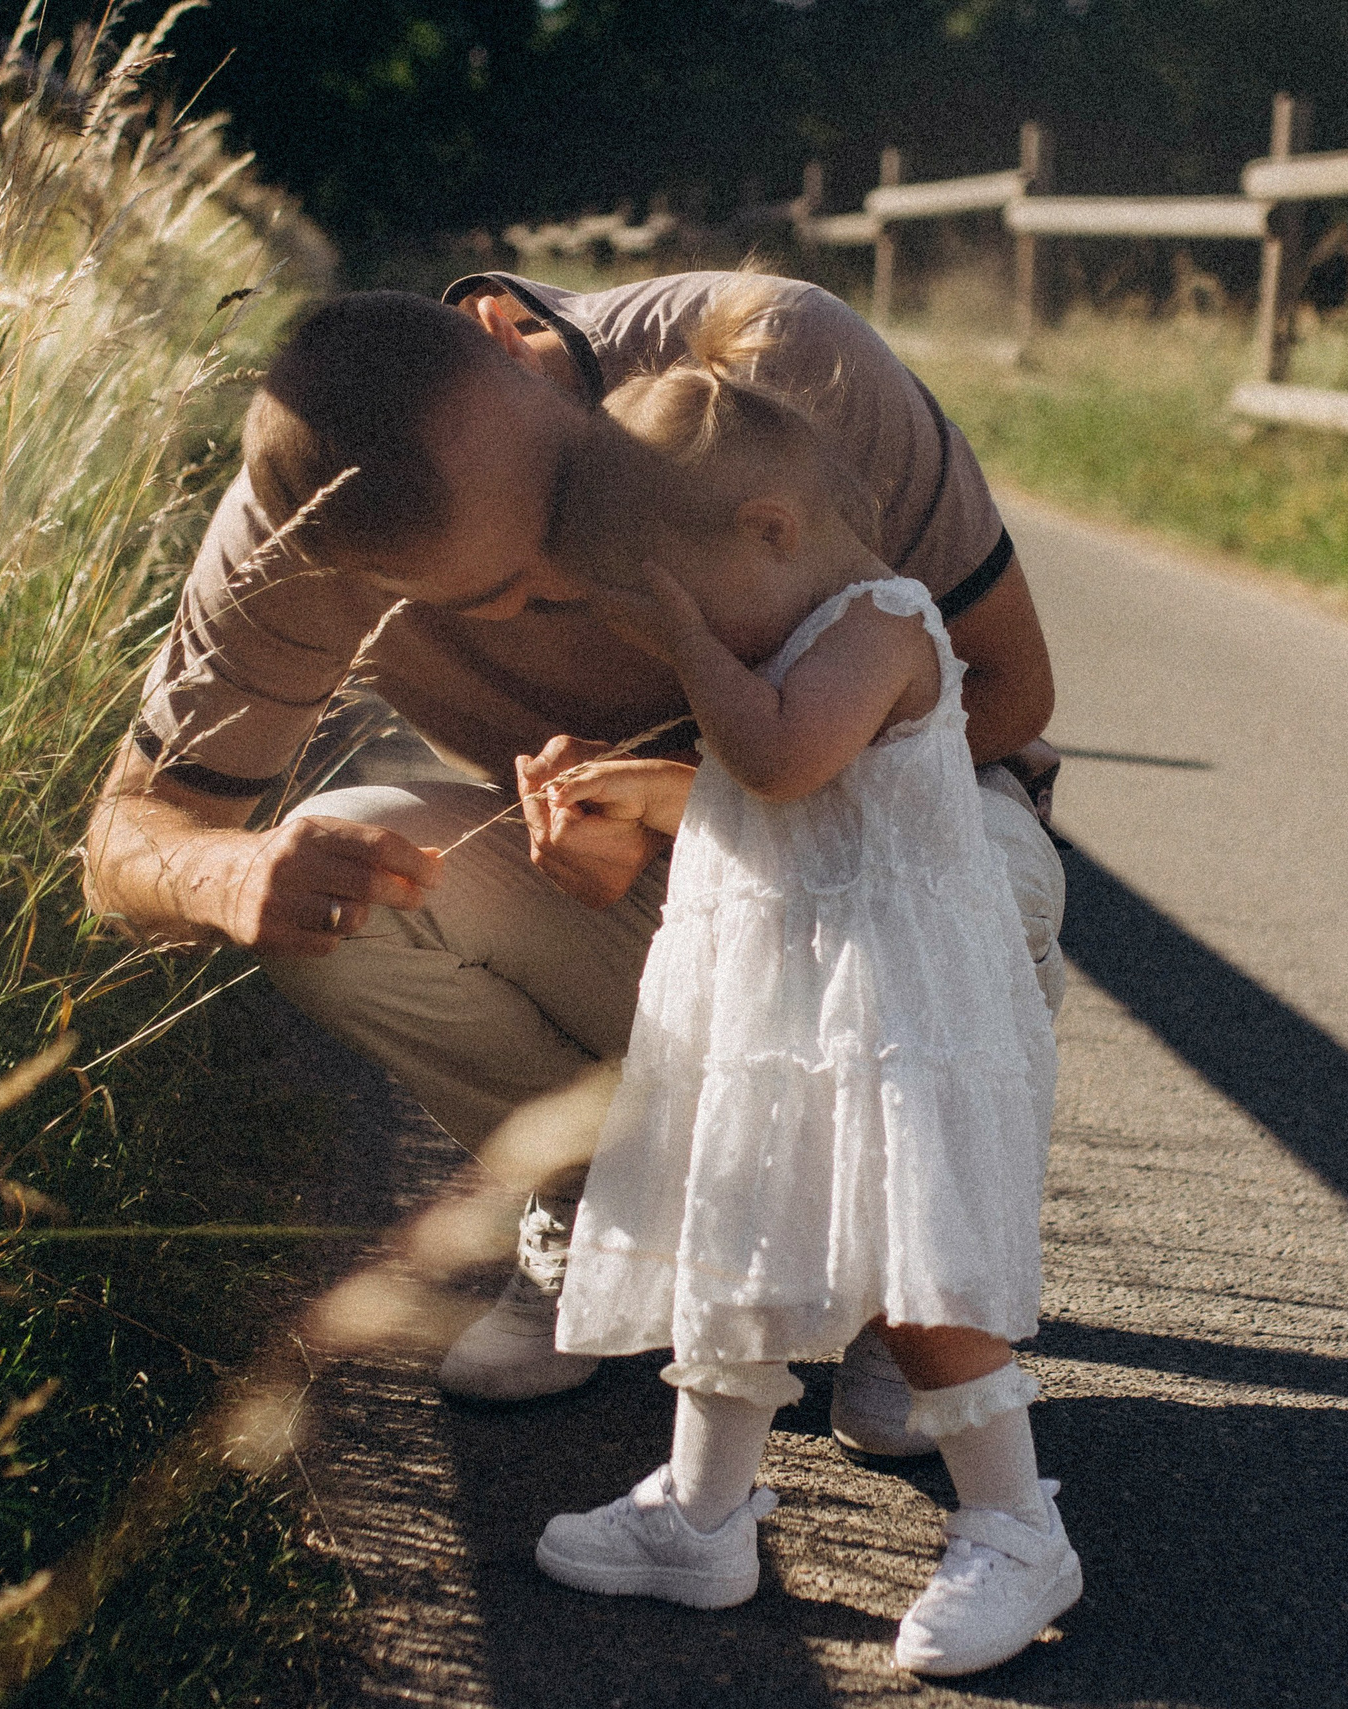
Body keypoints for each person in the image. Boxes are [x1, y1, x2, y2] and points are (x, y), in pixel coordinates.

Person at [78, 272, 1064, 1453]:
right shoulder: (301, 533)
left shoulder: (775, 358)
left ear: (505, 332)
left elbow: (1009, 688)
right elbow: (128, 838)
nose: (586, 582)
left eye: (560, 496)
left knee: (991, 876)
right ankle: (604, 1202)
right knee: (354, 880)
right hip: (621, 874)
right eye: (512, 594)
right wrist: (238, 877)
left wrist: (695, 810)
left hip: (902, 833)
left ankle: (904, 1269)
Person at [527, 294, 1074, 1677]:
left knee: (924, 1290)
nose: (673, 650)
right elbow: (766, 803)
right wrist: (645, 788)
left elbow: (776, 760)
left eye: (679, 604)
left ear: (771, 528)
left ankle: (1017, 1525)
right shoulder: (788, 637)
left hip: (891, 1021)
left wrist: (692, 648)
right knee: (735, 1245)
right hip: (783, 1011)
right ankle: (702, 1511)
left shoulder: (881, 622)